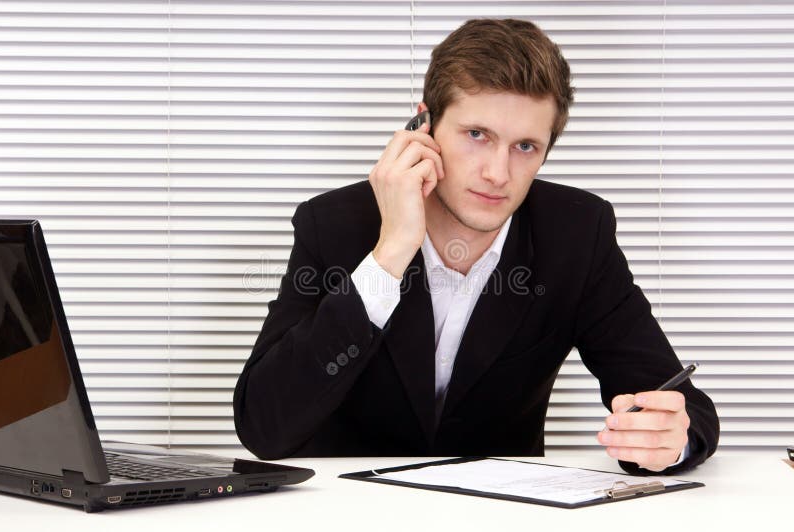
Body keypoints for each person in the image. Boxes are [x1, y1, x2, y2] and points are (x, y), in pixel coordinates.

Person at [233, 18, 719, 474]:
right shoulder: (334, 224)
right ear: (422, 126)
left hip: (502, 512)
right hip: (350, 507)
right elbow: (264, 427)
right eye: (476, 135)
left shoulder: (577, 233)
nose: (497, 173)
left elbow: (681, 405)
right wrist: (392, 250)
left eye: (525, 146)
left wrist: (668, 441)